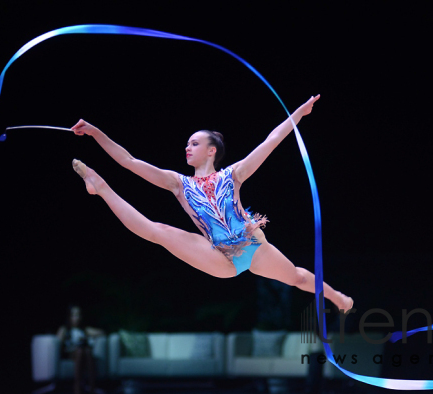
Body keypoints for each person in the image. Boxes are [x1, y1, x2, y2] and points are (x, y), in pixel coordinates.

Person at [70, 95, 353, 313]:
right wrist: (96, 133)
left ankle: (337, 297)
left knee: (298, 278)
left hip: (253, 247)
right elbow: (129, 161)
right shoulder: (179, 183)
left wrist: (298, 114)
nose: (187, 148)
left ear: (211, 150)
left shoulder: (234, 174)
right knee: (158, 232)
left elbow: (273, 139)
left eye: (194, 143)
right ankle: (101, 187)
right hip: (219, 258)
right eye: (187, 144)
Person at [56, 305, 104, 394]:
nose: (76, 318)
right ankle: (77, 386)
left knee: (86, 351)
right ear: (69, 317)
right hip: (70, 353)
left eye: (78, 315)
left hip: (84, 352)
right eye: (73, 315)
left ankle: (92, 385)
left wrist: (87, 337)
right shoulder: (64, 329)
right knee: (80, 351)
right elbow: (58, 343)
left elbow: (101, 332)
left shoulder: (84, 330)